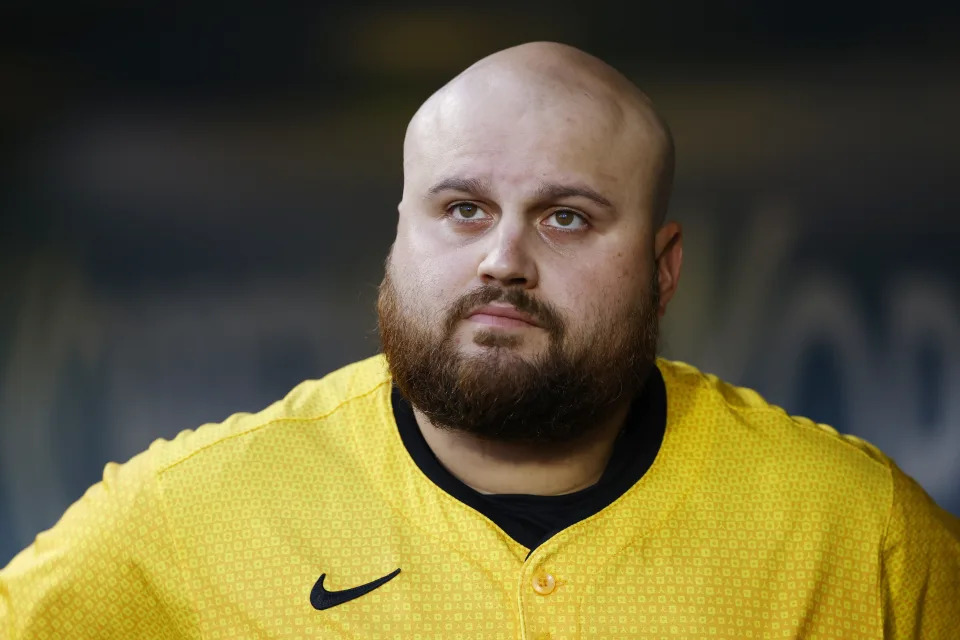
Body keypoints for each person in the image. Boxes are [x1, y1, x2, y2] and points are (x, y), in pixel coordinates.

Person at [2, 41, 958, 640]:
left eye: (568, 219)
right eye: (462, 209)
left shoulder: (856, 532)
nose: (503, 258)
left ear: (664, 270)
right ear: (400, 233)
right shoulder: (187, 516)